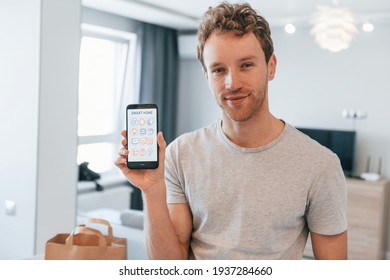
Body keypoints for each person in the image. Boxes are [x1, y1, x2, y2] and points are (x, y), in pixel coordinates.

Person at [115, 2, 347, 260]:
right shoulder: (180, 153)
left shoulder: (320, 165)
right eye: (219, 69)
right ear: (206, 75)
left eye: (246, 65)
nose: (232, 83)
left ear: (271, 66)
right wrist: (152, 190)